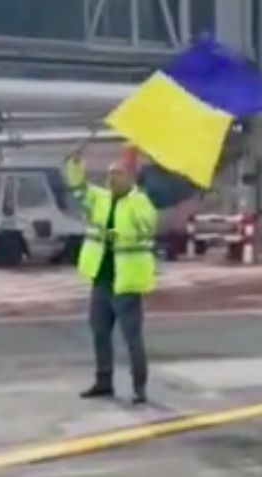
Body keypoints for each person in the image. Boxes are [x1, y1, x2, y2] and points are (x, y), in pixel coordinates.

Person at [64, 146, 157, 405]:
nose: (112, 179)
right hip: (102, 280)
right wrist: (74, 165)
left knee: (132, 338)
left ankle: (139, 387)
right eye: (110, 175)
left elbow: (145, 229)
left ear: (130, 178)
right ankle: (103, 381)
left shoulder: (141, 203)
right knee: (99, 333)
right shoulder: (100, 199)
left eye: (118, 174)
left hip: (125, 283)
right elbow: (79, 189)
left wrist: (115, 234)